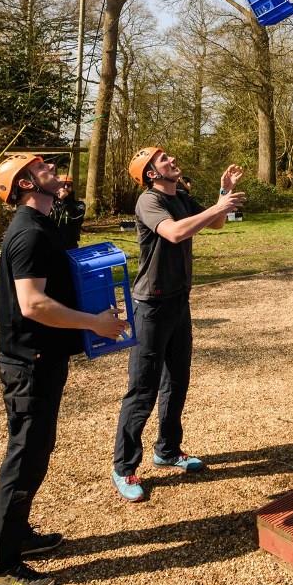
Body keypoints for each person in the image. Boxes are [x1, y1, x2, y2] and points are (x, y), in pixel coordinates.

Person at [0, 152, 126, 585]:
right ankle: (0, 567)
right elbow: (33, 304)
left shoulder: (45, 227)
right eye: (42, 170)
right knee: (25, 454)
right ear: (25, 185)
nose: (54, 172)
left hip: (45, 360)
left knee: (38, 448)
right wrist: (94, 323)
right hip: (29, 364)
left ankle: (19, 536)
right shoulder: (26, 234)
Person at [111, 148, 245, 502]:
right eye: (163, 160)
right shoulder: (148, 202)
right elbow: (173, 233)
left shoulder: (181, 195)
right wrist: (217, 207)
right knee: (143, 389)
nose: (171, 160)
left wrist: (221, 194)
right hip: (150, 305)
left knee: (177, 380)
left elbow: (213, 223)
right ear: (152, 174)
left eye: (168, 156)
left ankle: (167, 451)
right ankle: (124, 466)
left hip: (177, 301)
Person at [51, 173, 86, 249]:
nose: (66, 187)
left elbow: (76, 217)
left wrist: (66, 200)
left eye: (69, 185)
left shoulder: (79, 205)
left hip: (70, 245)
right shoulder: (48, 204)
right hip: (50, 245)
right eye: (63, 185)